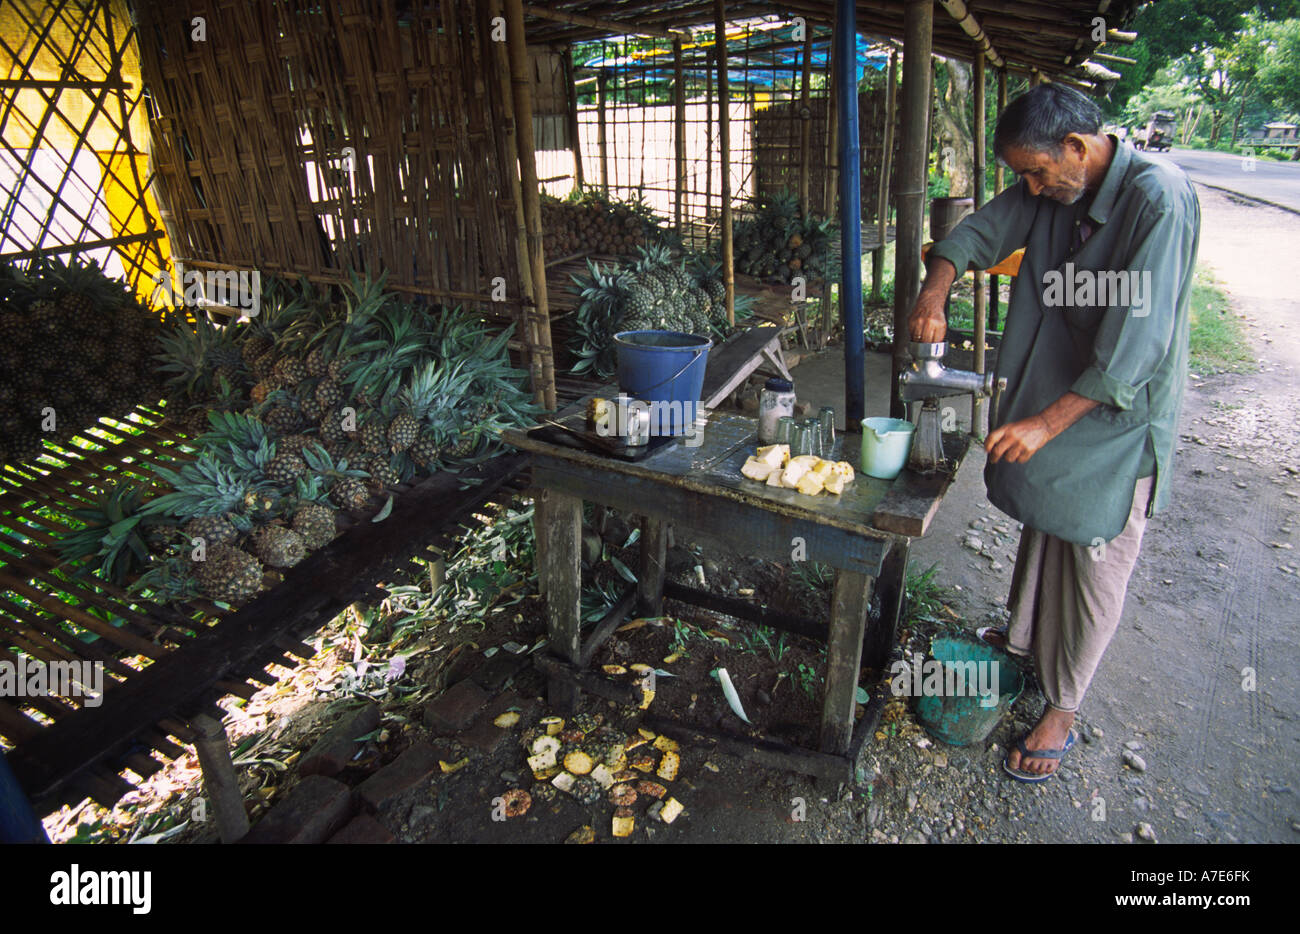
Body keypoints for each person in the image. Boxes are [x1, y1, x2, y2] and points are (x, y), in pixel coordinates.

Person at [908, 83, 1200, 782]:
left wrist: (1044, 423)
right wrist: (933, 290)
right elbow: (975, 233)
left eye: (1037, 172)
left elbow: (1137, 345)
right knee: (1046, 524)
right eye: (1024, 176)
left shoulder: (1158, 199)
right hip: (1056, 389)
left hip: (1118, 414)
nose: (1031, 188)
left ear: (1077, 147)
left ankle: (1063, 709)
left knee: (1097, 554)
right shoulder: (1053, 189)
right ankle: (1023, 641)